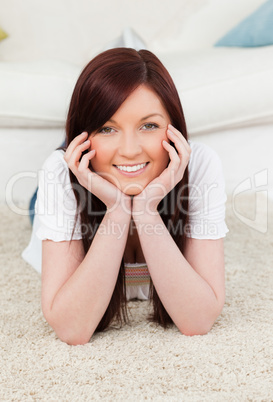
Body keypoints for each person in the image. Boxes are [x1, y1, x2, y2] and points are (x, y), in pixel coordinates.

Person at [22, 48, 228, 345]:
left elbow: (197, 319)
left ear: (175, 129)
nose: (130, 148)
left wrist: (145, 208)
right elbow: (71, 329)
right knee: (43, 194)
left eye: (149, 125)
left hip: (127, 169)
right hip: (88, 180)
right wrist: (117, 208)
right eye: (107, 127)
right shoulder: (60, 173)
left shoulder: (201, 164)